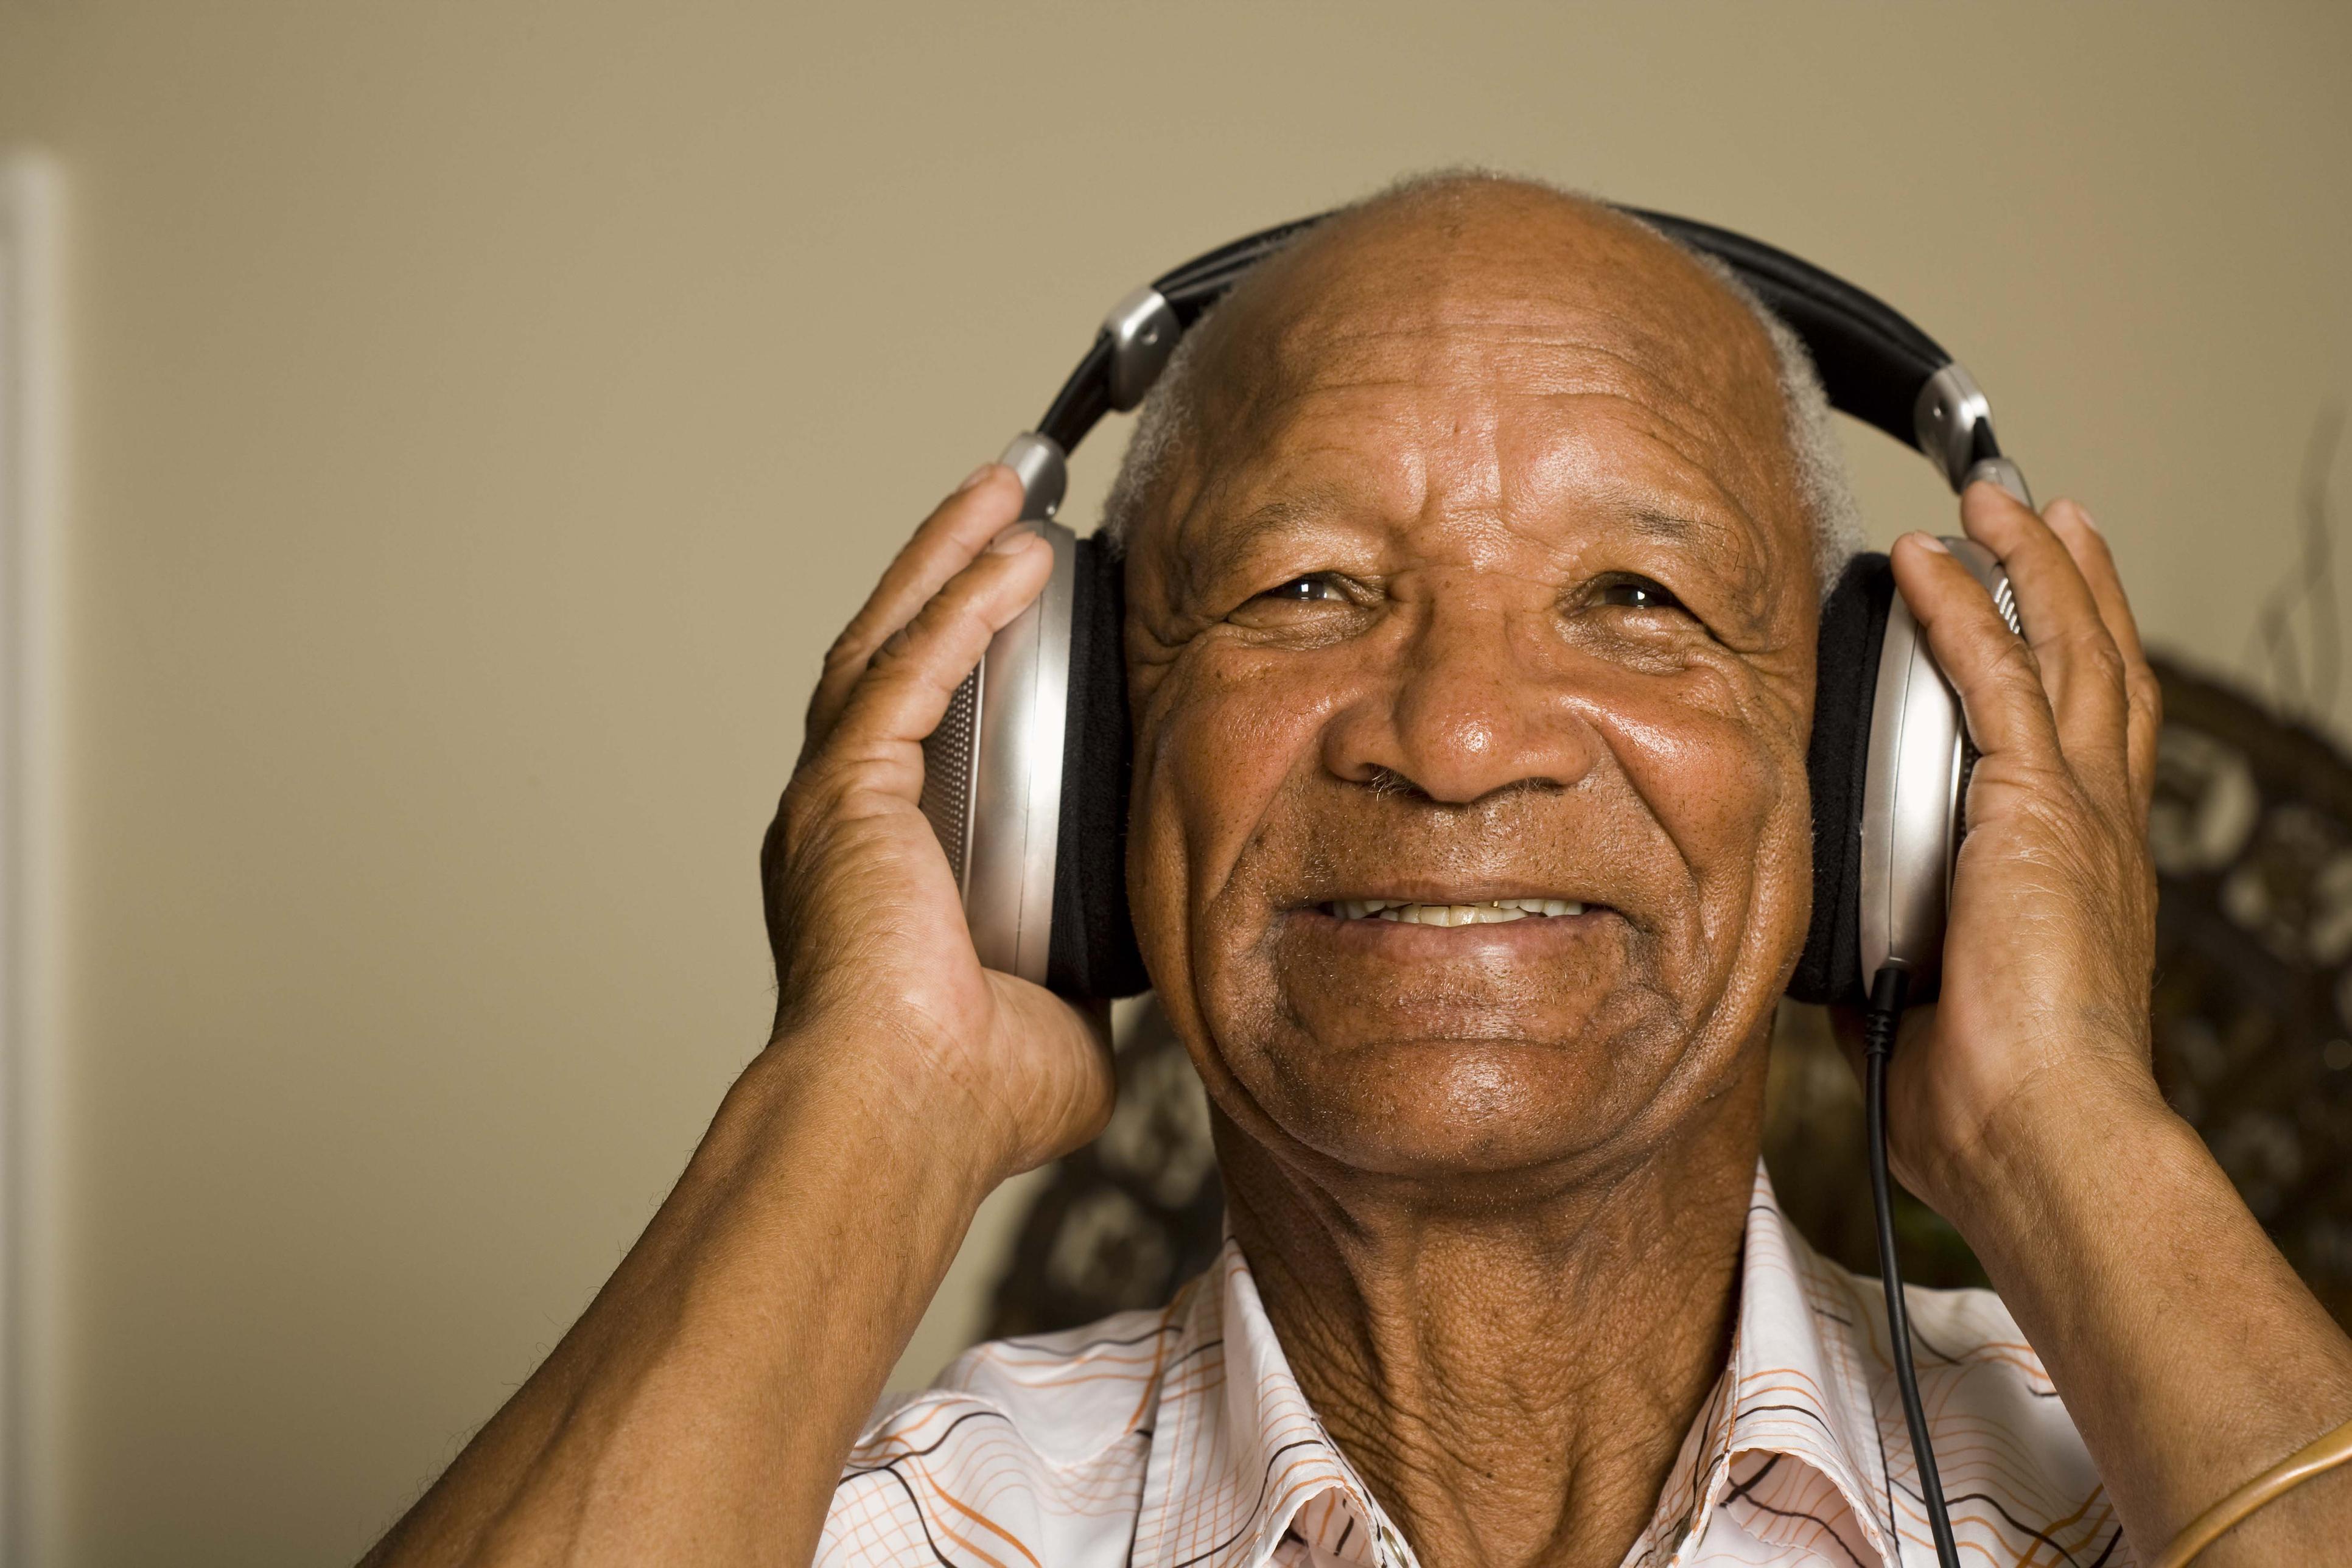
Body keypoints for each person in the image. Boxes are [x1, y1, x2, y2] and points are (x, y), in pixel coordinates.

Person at [361, 175, 2352, 1568]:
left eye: (1634, 597)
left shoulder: (2168, 1479)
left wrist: (2067, 1116)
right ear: (1077, 754)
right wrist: (866, 1093)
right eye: (1307, 589)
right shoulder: (889, 1530)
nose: (1459, 733)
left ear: (1861, 777)